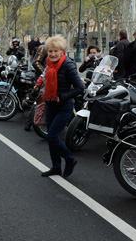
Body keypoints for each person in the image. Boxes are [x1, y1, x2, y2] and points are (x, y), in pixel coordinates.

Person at [40, 35, 84, 178]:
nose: (53, 54)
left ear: (62, 51)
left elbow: (79, 88)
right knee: (51, 140)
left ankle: (70, 159)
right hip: (50, 103)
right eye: (50, 51)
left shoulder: (68, 65)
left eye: (56, 51)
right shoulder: (48, 63)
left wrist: (61, 97)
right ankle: (56, 167)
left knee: (52, 137)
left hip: (64, 105)